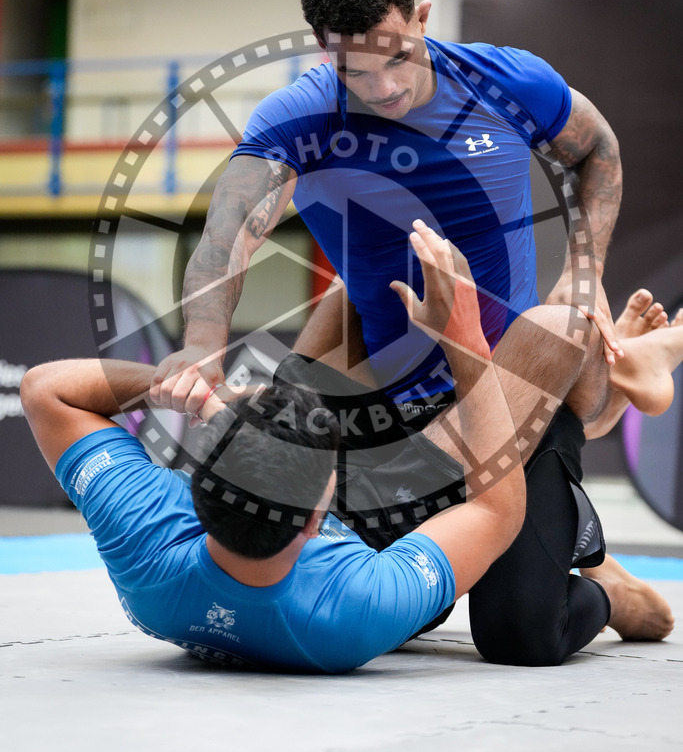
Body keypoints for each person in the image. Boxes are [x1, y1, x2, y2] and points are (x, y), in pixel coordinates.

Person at [148, 0, 668, 663]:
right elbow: (227, 233)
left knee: (522, 636)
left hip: (510, 386)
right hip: (390, 396)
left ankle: (611, 588)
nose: (383, 86)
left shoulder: (505, 80)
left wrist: (584, 268)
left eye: (396, 56)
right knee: (390, 612)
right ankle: (621, 387)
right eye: (354, 70)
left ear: (421, 18)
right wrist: (202, 344)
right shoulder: (298, 118)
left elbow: (597, 148)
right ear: (323, 50)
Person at [20, 224, 681, 672]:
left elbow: (45, 389)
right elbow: (494, 508)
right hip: (413, 517)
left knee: (346, 310)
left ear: (193, 486)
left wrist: (190, 384)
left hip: (315, 512)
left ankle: (612, 380)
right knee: (553, 335)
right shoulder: (353, 604)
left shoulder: (147, 533)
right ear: (321, 515)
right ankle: (614, 385)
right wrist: (463, 342)